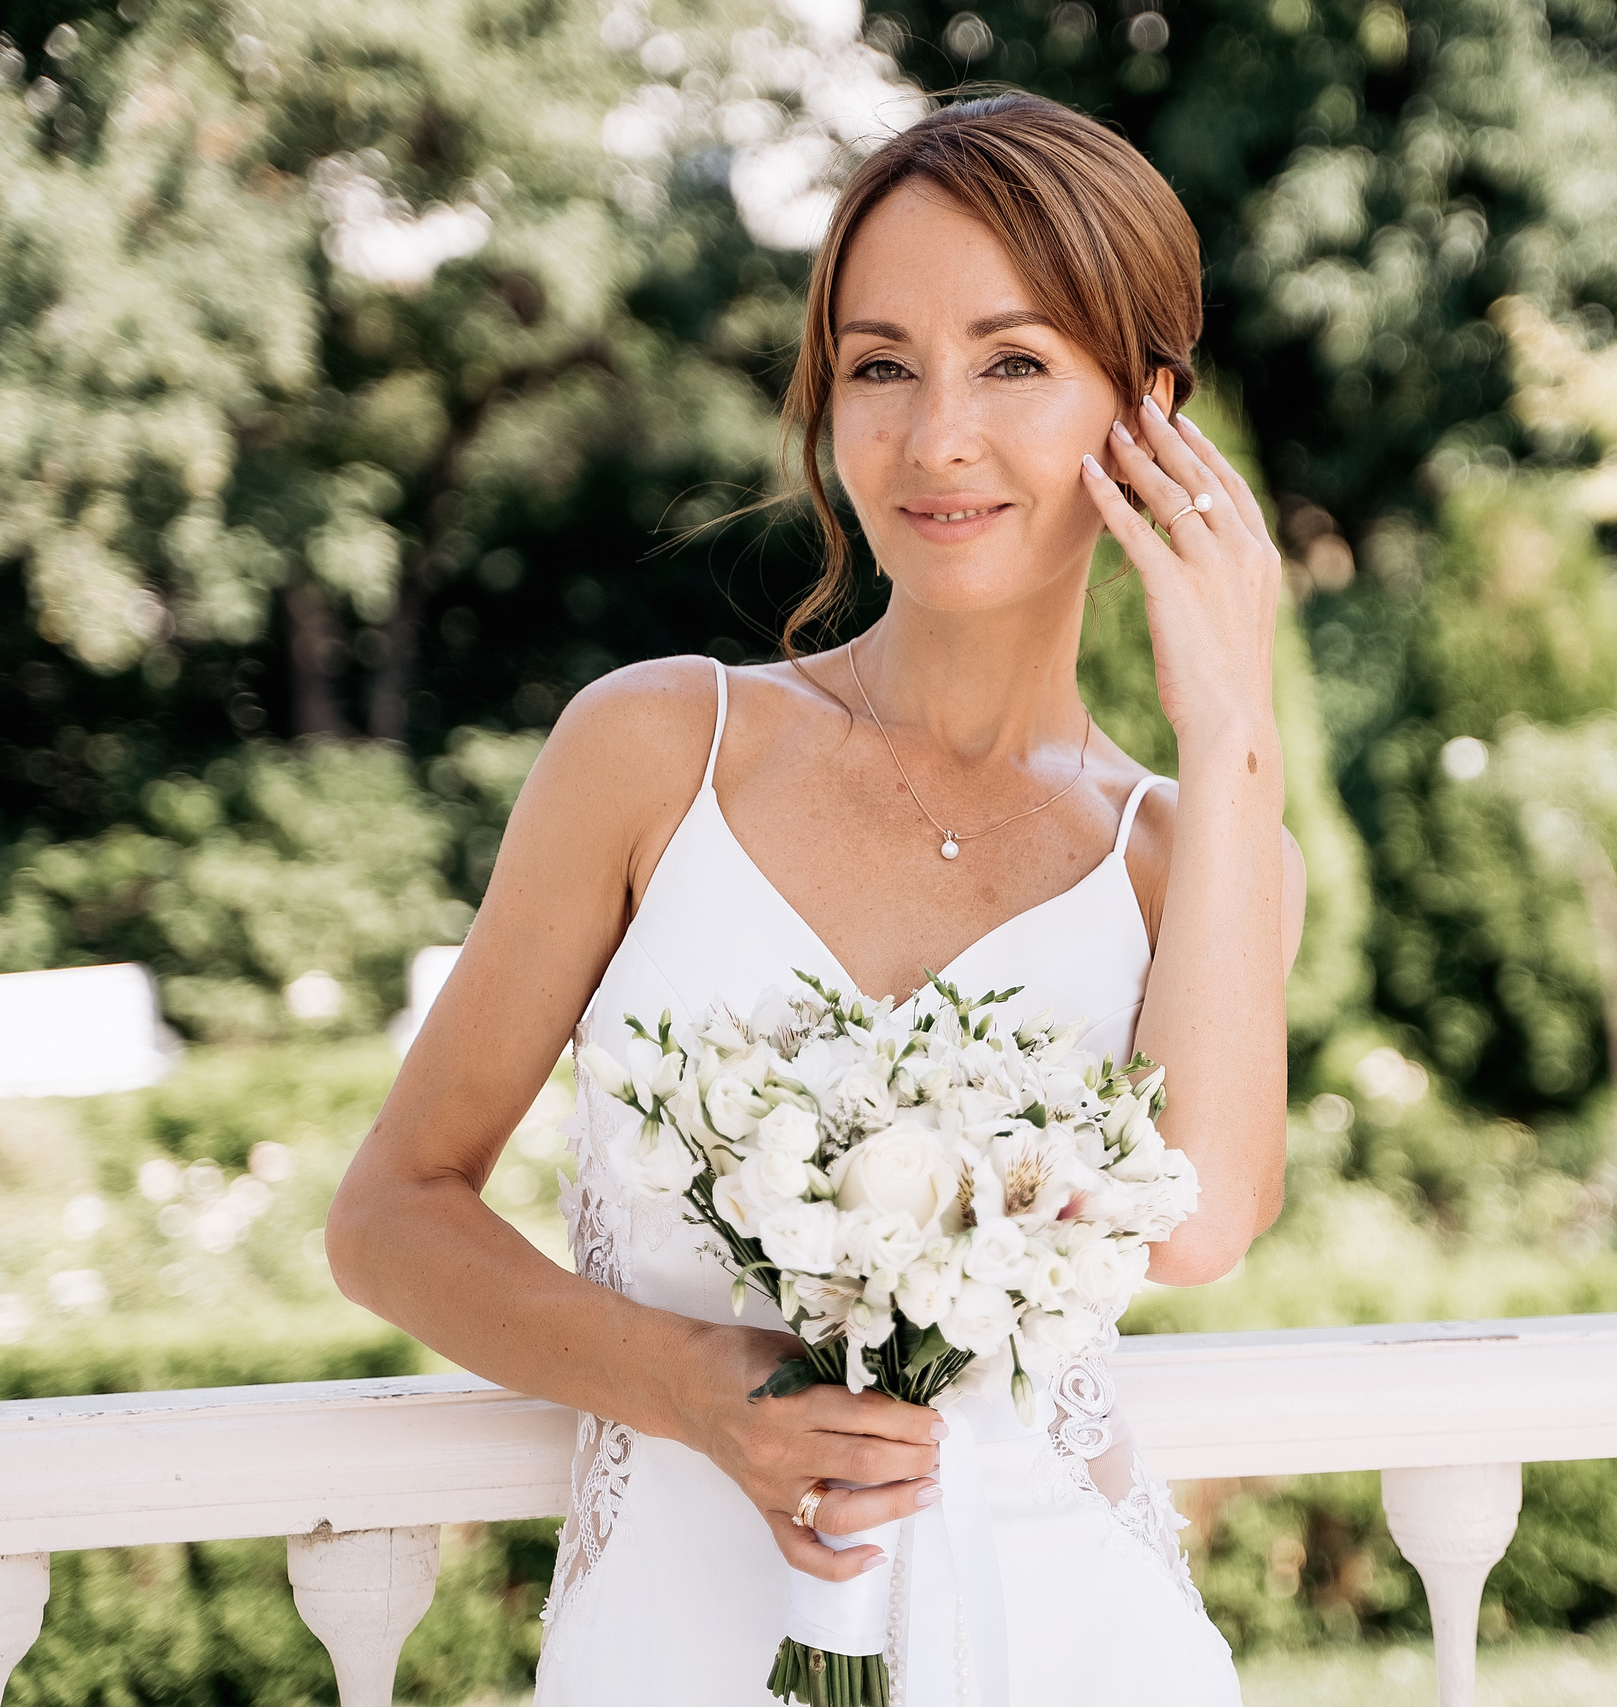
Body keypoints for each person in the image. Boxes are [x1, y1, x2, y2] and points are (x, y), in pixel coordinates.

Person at [326, 91, 1303, 1705]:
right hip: (672, 1645)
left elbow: (1199, 1226)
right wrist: (704, 1388)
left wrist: (1230, 725)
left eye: (1014, 362)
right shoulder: (655, 751)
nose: (936, 439)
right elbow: (392, 1214)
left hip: (1071, 1642)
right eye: (879, 365)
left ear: (1148, 412)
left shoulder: (1196, 848)